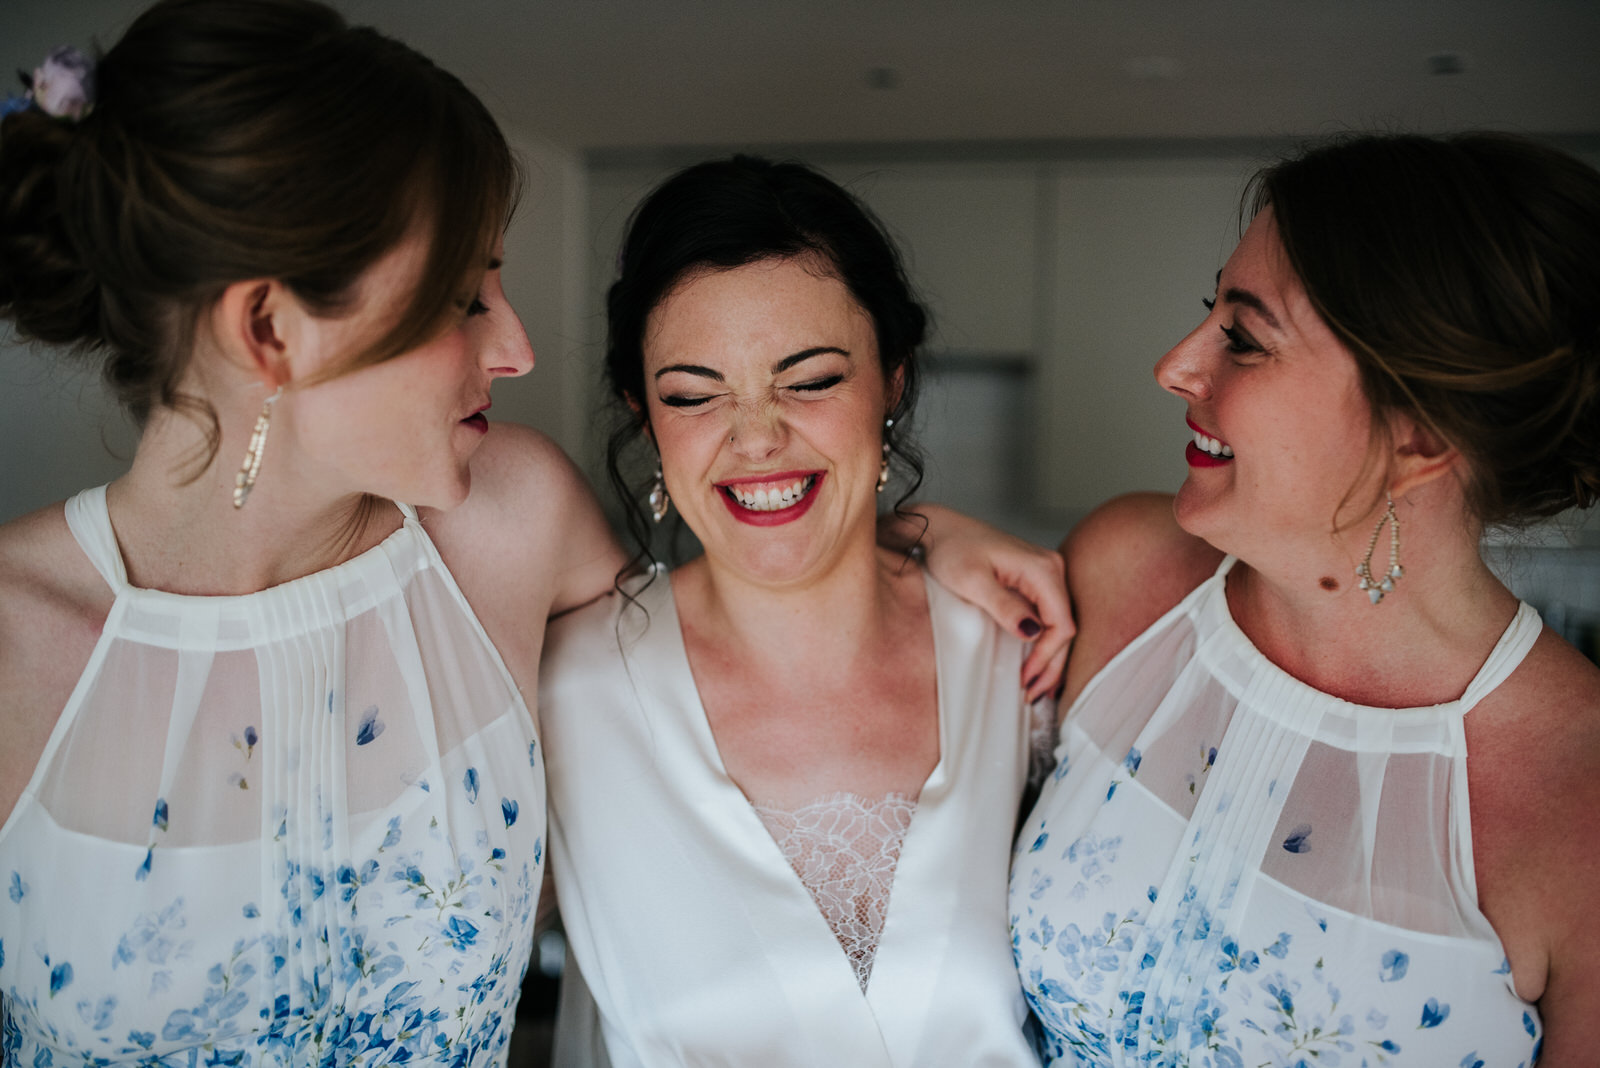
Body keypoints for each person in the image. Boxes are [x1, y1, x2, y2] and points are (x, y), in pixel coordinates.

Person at [0, 6, 1070, 1063]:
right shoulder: (14, 642)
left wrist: (919, 538)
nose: (514, 346)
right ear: (269, 328)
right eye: (464, 298)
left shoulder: (505, 524)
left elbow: (753, 613)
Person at [1011, 132, 1600, 1066]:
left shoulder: (1582, 801)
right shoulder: (1126, 577)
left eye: (1243, 338)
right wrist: (909, 543)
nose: (1177, 365)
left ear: (1417, 436)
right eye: (1211, 315)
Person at [539, 156, 1055, 1067]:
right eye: (695, 395)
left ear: (892, 380)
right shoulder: (568, 687)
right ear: (644, 413)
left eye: (810, 380)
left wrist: (922, 533)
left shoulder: (1014, 650)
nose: (756, 437)